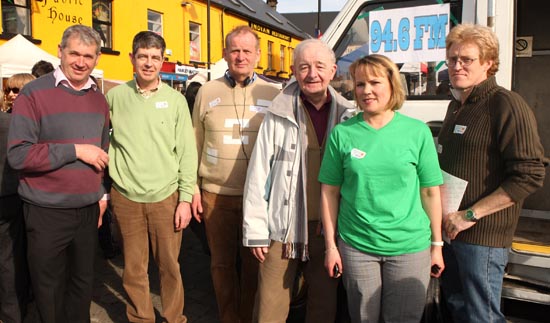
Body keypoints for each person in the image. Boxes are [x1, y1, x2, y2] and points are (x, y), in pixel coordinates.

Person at [318, 54, 445, 323]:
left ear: (392, 84)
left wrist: (436, 245)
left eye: (374, 82)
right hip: (357, 247)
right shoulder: (343, 134)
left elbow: (430, 192)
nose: (366, 91)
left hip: (410, 247)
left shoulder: (417, 132)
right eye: (360, 84)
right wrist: (331, 246)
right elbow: (329, 192)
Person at [438, 23, 547, 323]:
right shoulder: (455, 107)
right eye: (452, 59)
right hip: (451, 232)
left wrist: (469, 215)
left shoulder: (505, 103)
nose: (457, 66)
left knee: (481, 315)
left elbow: (529, 173)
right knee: (457, 308)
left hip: (481, 238)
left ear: (488, 62)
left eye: (467, 60)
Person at [242, 38, 356, 323]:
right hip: (281, 227)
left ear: (333, 71)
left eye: (319, 66)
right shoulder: (278, 113)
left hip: (327, 230)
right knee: (269, 306)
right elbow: (258, 174)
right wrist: (256, 228)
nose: (311, 74)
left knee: (323, 306)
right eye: (304, 67)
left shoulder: (348, 116)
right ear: (293, 71)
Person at [6, 25, 110, 323]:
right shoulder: (33, 94)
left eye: (88, 56)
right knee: (48, 292)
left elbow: (101, 153)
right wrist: (74, 150)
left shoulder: (99, 99)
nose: (80, 61)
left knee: (82, 287)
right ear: (59, 52)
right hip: (46, 211)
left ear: (97, 58)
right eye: (74, 53)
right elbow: (18, 155)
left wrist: (101, 193)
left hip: (88, 211)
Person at [107, 31, 197, 323]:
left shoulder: (176, 101)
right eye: (143, 56)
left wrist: (185, 199)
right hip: (126, 197)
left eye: (155, 57)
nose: (148, 63)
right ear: (132, 59)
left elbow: (186, 153)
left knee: (170, 267)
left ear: (162, 61)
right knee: (133, 268)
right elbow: (101, 142)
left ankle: (174, 318)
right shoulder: (114, 97)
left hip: (166, 197)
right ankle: (141, 318)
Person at [191, 25, 280, 323]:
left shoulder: (273, 92)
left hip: (260, 199)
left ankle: (249, 317)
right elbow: (195, 141)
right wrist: (193, 187)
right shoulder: (207, 91)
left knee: (255, 265)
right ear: (225, 53)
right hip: (216, 196)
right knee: (222, 266)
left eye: (247, 50)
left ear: (257, 55)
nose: (240, 56)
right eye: (235, 50)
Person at [0, 92, 29, 323]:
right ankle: (13, 315)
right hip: (9, 197)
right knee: (9, 258)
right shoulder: (11, 124)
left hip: (8, 197)